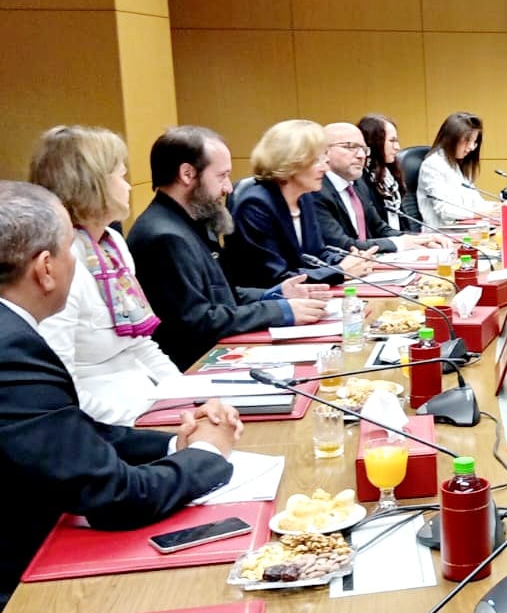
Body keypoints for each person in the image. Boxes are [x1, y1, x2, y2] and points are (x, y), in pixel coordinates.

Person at [0, 182, 239, 613]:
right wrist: (208, 457)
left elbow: (67, 432)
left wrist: (173, 443)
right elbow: (115, 498)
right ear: (45, 268)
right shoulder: (4, 352)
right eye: (70, 251)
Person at [127, 125, 329, 370]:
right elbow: (199, 321)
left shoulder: (189, 222)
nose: (229, 188)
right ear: (187, 174)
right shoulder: (165, 237)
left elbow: (221, 294)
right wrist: (279, 311)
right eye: (221, 176)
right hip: (195, 366)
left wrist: (276, 294)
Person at [28, 125, 180, 425]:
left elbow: (140, 343)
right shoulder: (60, 265)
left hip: (146, 403)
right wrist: (144, 425)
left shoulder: (113, 244)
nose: (129, 186)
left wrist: (189, 398)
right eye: (121, 176)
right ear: (92, 185)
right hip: (106, 423)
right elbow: (62, 389)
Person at [223, 119, 376, 289]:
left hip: (304, 295)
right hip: (266, 300)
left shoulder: (304, 197)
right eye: (317, 159)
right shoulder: (255, 205)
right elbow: (273, 277)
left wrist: (350, 260)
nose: (325, 168)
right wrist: (340, 271)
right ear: (290, 161)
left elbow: (316, 253)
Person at [309, 122, 434, 254]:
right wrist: (399, 244)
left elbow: (380, 228)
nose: (361, 155)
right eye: (350, 147)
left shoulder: (358, 183)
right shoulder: (316, 190)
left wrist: (421, 240)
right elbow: (342, 244)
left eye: (364, 149)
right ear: (324, 151)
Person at [416, 111, 490, 227]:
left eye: (474, 142)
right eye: (467, 141)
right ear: (451, 139)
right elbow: (445, 210)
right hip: (441, 233)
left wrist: (498, 208)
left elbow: (476, 202)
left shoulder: (457, 165)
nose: (471, 147)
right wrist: (479, 213)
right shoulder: (432, 165)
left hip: (463, 229)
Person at [358, 113, 410, 231]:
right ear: (374, 142)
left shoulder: (389, 176)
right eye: (392, 141)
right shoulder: (361, 180)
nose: (397, 147)